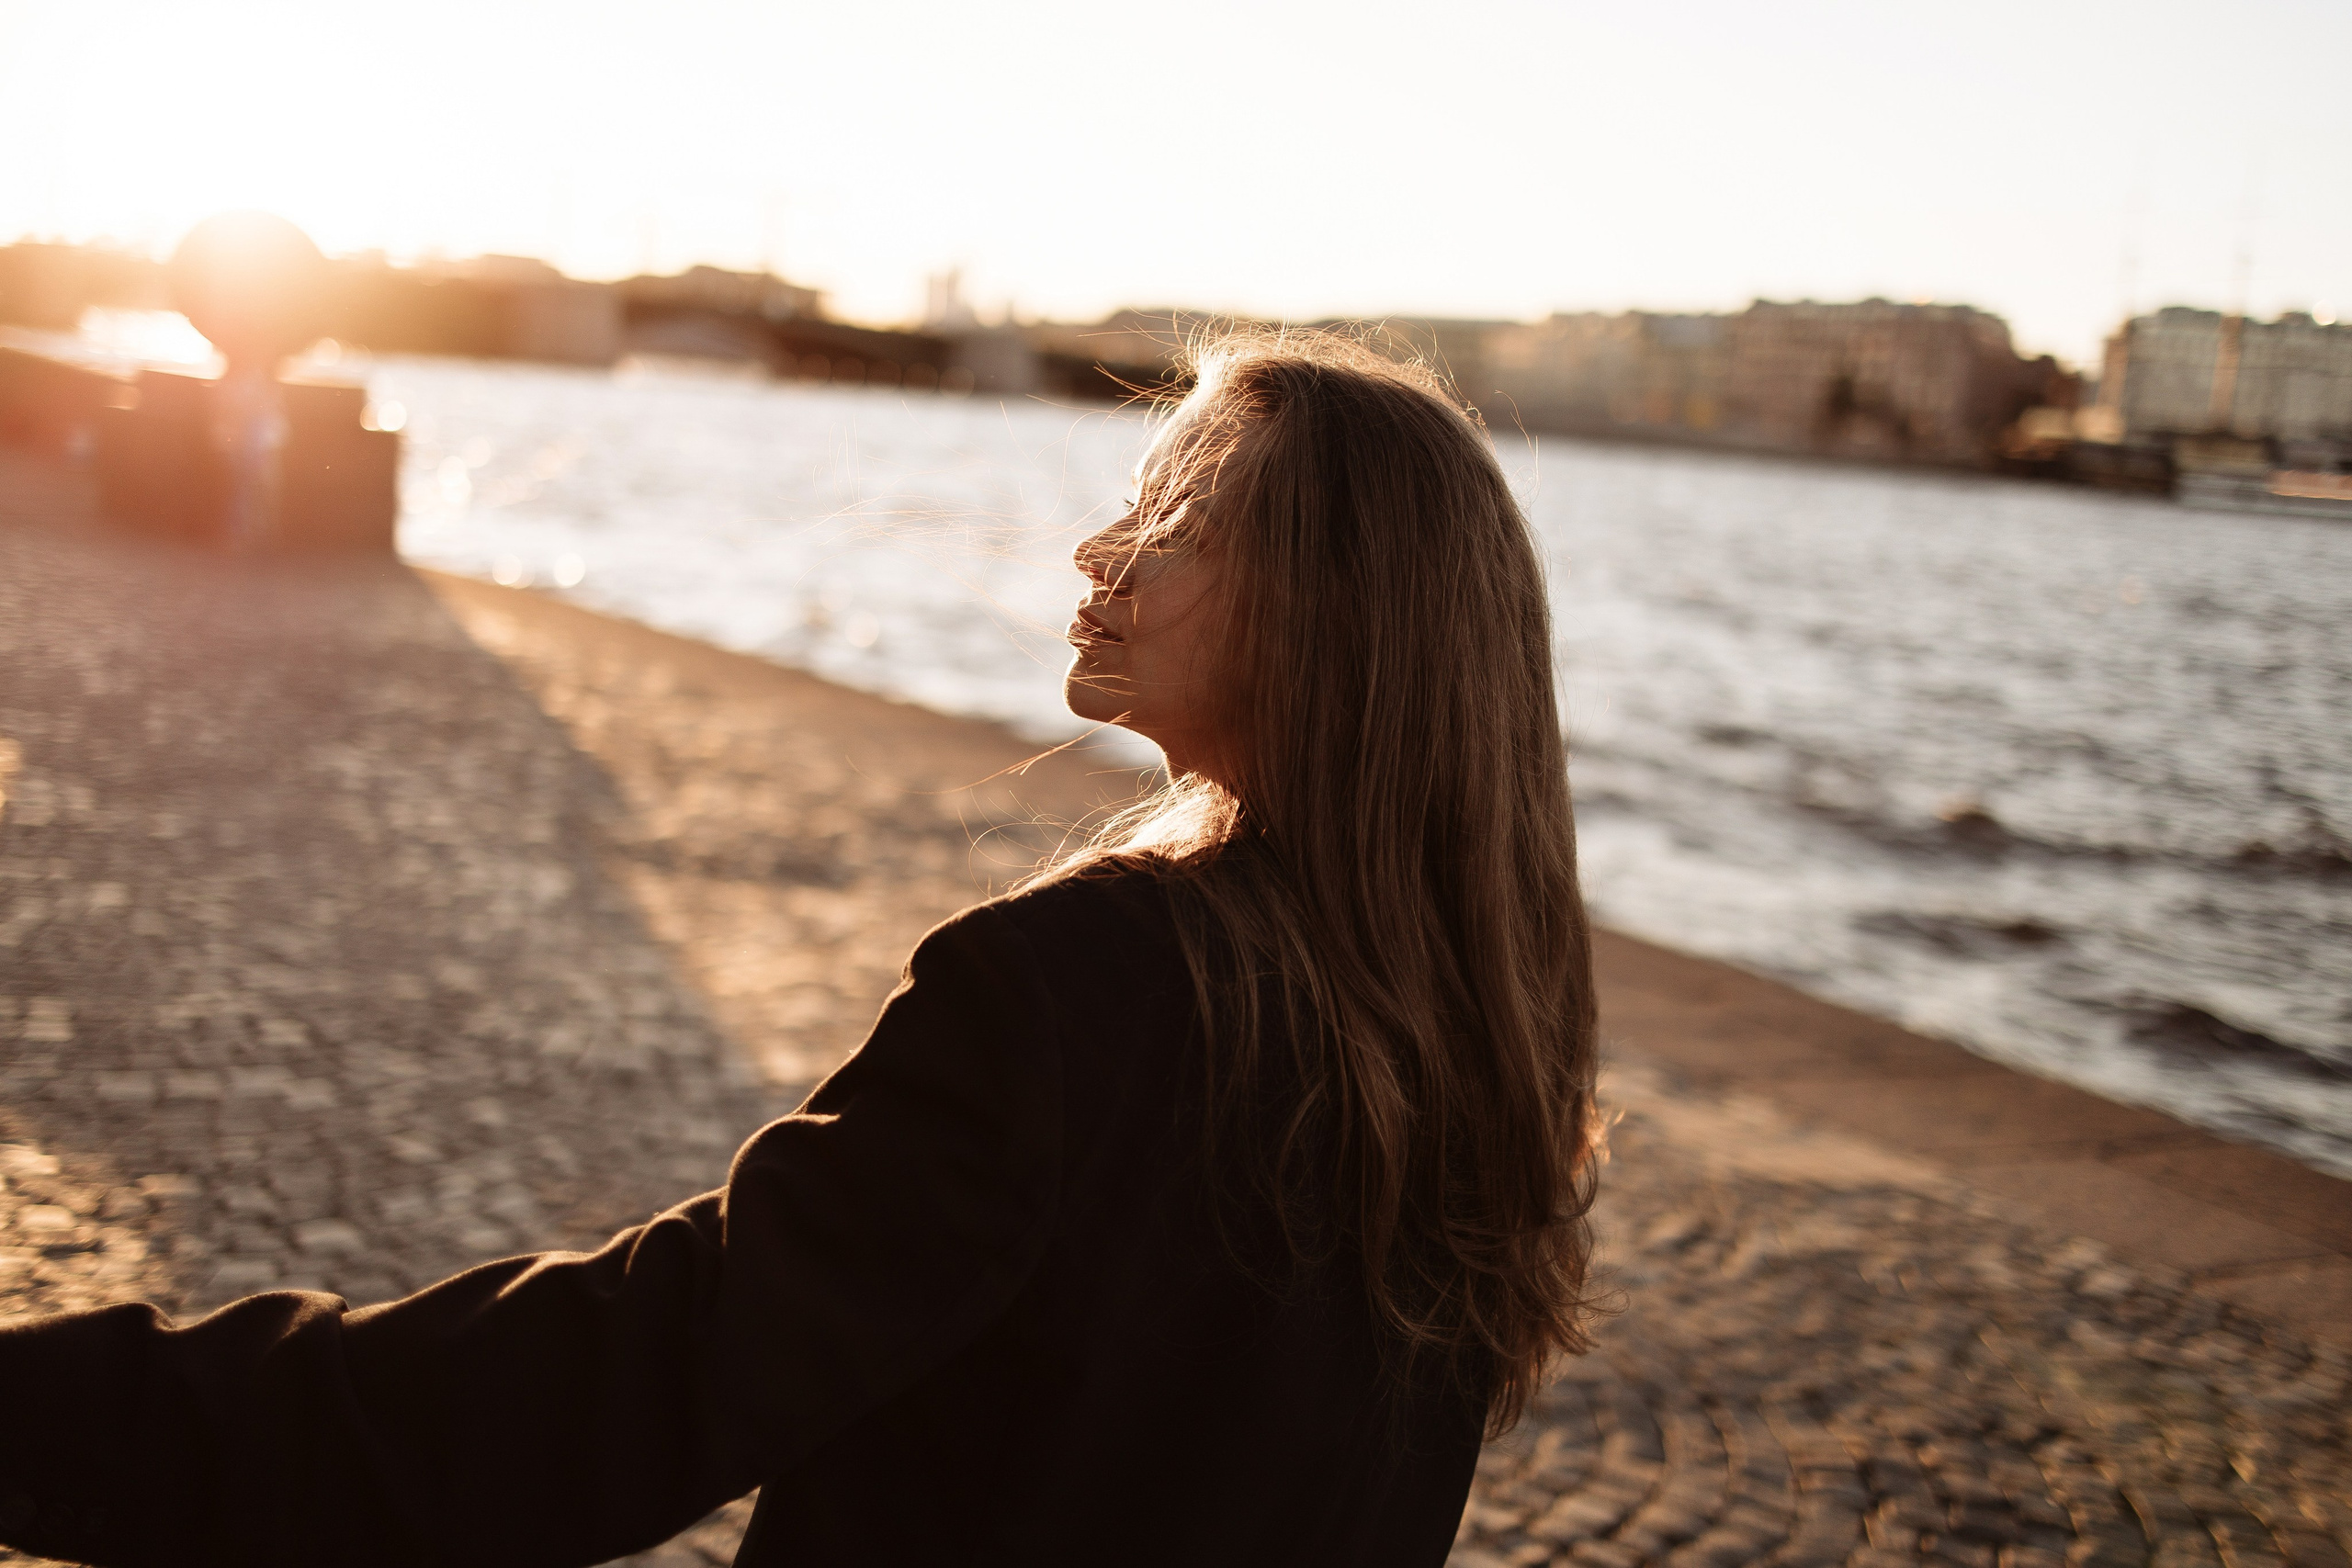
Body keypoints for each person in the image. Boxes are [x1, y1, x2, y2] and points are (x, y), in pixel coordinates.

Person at [0, 333, 1601, 1568]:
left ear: (1333, 616)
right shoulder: (1489, 1052)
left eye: (1174, 519)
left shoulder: (1077, 994)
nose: (1098, 553)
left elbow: (588, 1401)